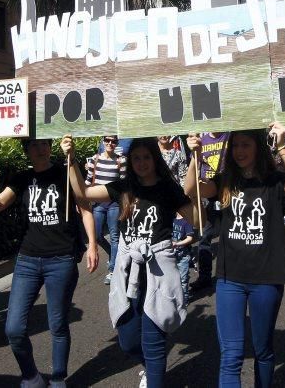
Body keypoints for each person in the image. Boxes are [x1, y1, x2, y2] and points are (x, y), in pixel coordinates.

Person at [64, 136, 201, 388]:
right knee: (127, 341)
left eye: (146, 157)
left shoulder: (168, 188)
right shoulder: (123, 187)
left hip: (159, 272)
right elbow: (82, 192)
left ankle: (154, 371)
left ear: (154, 158)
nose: (141, 162)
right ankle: (151, 366)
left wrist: (195, 161)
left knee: (153, 342)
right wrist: (71, 160)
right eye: (136, 158)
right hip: (128, 272)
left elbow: (197, 220)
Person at [185, 123, 285, 388]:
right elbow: (191, 189)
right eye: (236, 145)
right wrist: (195, 156)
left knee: (263, 351)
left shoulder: (273, 180)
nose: (239, 151)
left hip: (266, 278)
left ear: (258, 148)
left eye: (246, 145)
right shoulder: (225, 179)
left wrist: (284, 146)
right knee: (231, 355)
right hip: (230, 278)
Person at [0, 139, 98, 387]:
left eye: (45, 143)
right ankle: (31, 376)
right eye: (35, 145)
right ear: (26, 151)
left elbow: (85, 207)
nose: (41, 149)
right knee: (13, 328)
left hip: (61, 259)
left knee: (57, 324)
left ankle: (58, 378)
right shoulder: (22, 179)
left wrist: (92, 244)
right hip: (27, 260)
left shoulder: (64, 172)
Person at [191, 131, 229, 292]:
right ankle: (204, 277)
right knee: (204, 236)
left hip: (227, 191)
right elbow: (194, 165)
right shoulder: (201, 139)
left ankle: (228, 275)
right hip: (207, 192)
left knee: (229, 236)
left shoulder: (229, 136)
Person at [86, 136, 126, 285]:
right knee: (96, 236)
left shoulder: (121, 161)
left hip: (114, 204)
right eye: (107, 140)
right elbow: (88, 181)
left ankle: (112, 268)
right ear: (103, 141)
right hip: (98, 204)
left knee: (114, 236)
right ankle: (112, 255)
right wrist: (81, 199)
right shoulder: (94, 160)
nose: (110, 143)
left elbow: (124, 184)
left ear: (117, 143)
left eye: (113, 141)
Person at [172, 216, 195, 307]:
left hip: (183, 256)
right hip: (172, 255)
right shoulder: (172, 218)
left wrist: (177, 243)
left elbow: (190, 238)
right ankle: (176, 297)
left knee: (183, 279)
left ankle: (184, 299)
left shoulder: (187, 220)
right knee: (173, 278)